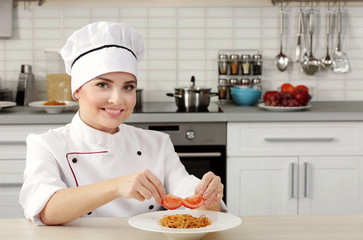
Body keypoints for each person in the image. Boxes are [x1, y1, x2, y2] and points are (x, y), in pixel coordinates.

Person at [19, 22, 225, 226]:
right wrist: (116, 186)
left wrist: (209, 196)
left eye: (128, 87)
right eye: (102, 85)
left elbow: (196, 203)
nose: (117, 100)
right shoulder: (47, 144)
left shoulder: (157, 143)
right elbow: (46, 210)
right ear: (77, 91)